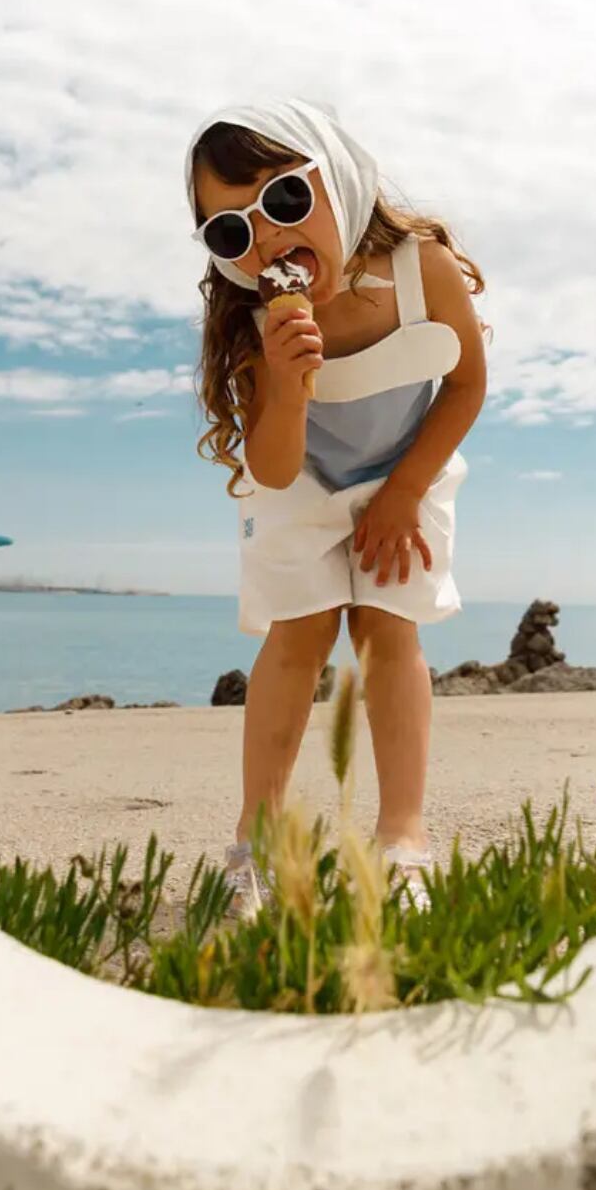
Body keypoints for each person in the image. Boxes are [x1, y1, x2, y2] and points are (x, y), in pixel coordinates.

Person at [184, 99, 489, 916]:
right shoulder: (253, 318)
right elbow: (273, 466)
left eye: (285, 199)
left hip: (407, 466)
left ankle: (402, 840)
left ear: (339, 177)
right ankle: (255, 840)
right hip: (299, 477)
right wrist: (286, 388)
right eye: (231, 232)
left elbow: (465, 384)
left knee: (389, 628)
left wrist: (402, 494)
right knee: (300, 635)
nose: (267, 239)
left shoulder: (421, 269)